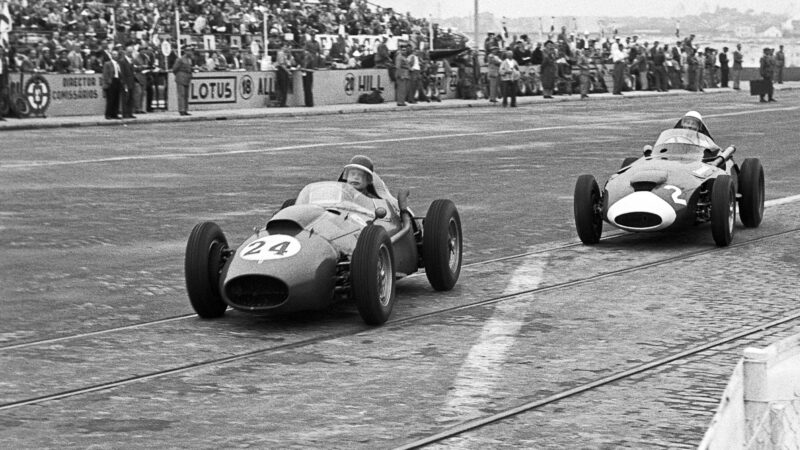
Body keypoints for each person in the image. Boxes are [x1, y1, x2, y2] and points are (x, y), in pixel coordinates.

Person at [172, 46, 194, 116]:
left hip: (187, 78)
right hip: (181, 77)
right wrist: (179, 75)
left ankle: (185, 109)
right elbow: (174, 69)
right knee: (181, 95)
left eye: (190, 51)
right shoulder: (180, 59)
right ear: (185, 51)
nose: (190, 52)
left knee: (186, 95)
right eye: (188, 51)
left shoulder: (190, 59)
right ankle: (181, 110)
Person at [102, 49, 122, 120]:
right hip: (111, 82)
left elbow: (120, 73)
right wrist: (108, 82)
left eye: (116, 54)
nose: (115, 56)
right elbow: (105, 74)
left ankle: (115, 114)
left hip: (117, 81)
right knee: (110, 99)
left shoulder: (118, 64)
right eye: (113, 54)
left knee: (116, 99)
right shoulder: (107, 63)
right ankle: (108, 114)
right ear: (111, 55)